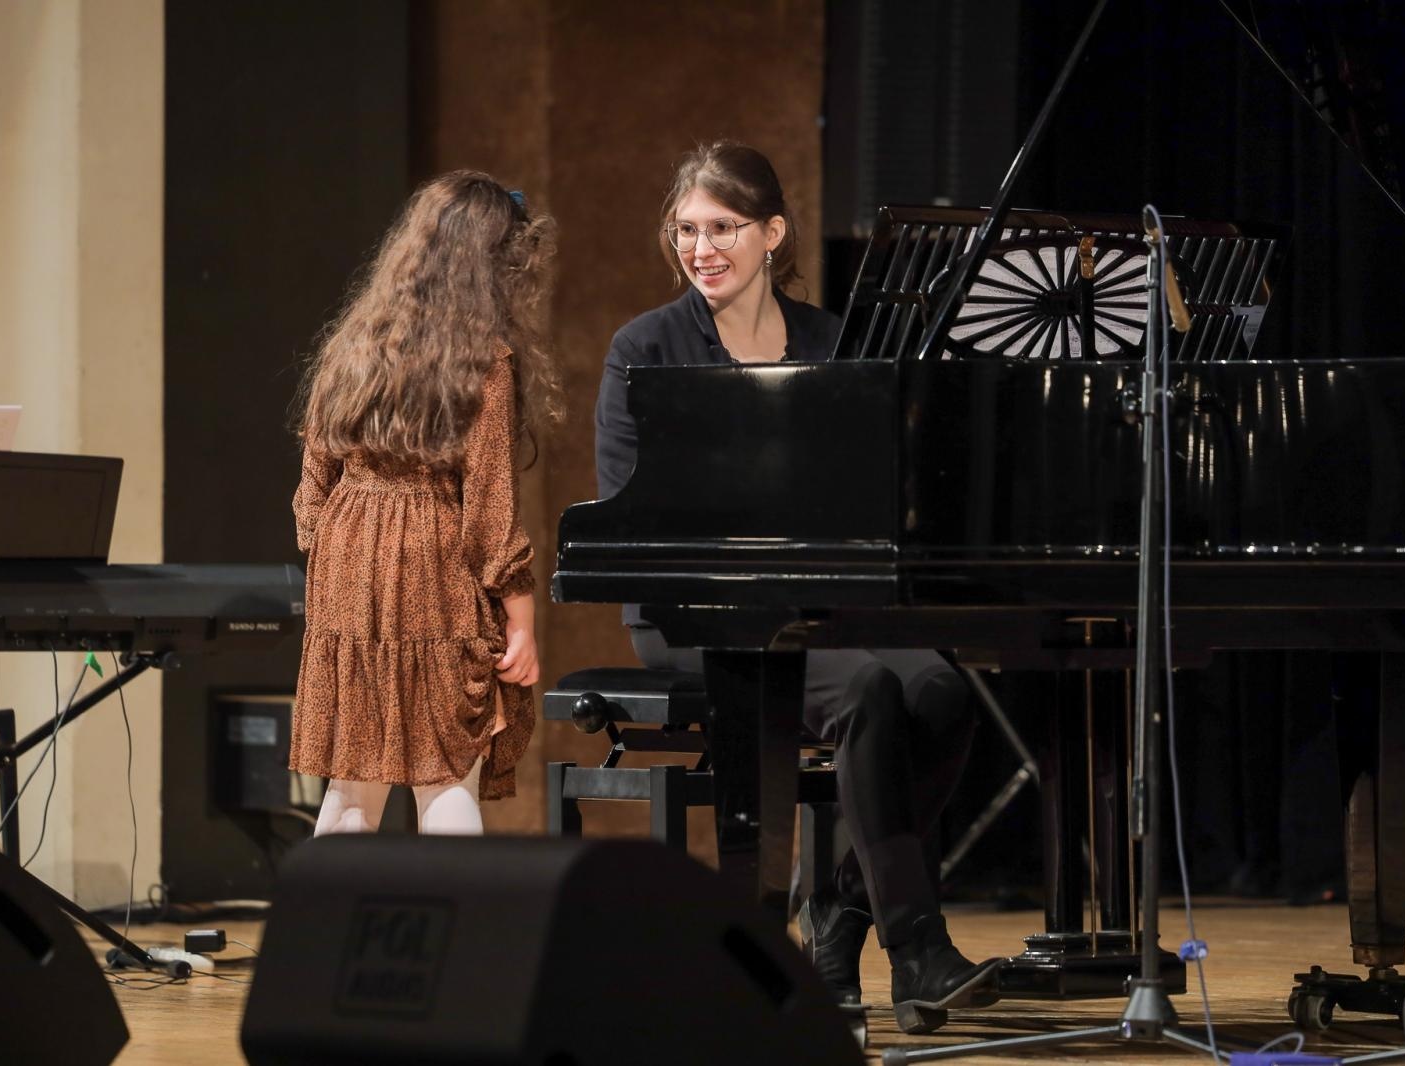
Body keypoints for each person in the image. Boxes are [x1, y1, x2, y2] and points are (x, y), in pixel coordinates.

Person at [594, 141, 999, 1033]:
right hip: (695, 612)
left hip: (817, 601)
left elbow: (868, 489)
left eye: (724, 228)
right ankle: (917, 947)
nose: (702, 248)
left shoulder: (830, 341)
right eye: (687, 230)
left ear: (772, 233)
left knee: (939, 689)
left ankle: (837, 912)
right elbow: (629, 509)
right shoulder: (645, 347)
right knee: (866, 689)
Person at [290, 171, 560, 837]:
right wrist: (521, 624)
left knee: (353, 785)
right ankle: (456, 937)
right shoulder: (483, 360)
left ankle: (323, 935)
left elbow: (311, 492)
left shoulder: (351, 348)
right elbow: (491, 511)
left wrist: (344, 559)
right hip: (435, 565)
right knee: (446, 770)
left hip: (346, 560)